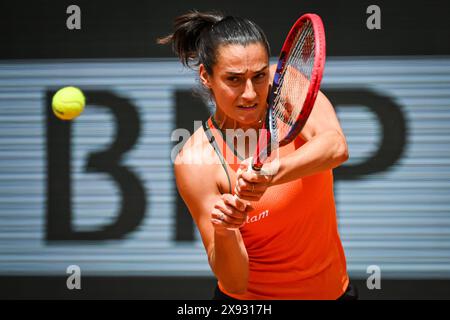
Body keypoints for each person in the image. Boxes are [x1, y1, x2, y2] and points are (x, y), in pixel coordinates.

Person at [159, 10, 357, 300]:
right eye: (234, 79)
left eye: (259, 76)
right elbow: (235, 282)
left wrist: (271, 173)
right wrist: (226, 229)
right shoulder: (195, 160)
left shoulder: (289, 90)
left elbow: (336, 148)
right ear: (206, 76)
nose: (250, 93)